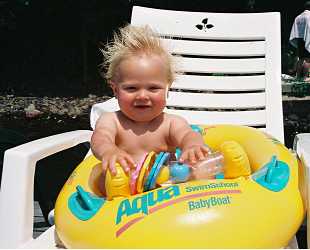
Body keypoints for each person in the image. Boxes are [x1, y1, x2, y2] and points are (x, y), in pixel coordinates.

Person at [91, 24, 211, 181]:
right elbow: (100, 138)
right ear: (115, 90)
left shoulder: (171, 123)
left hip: (166, 194)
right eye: (131, 88)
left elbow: (188, 135)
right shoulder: (112, 121)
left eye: (153, 88)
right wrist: (109, 151)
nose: (142, 96)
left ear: (168, 88)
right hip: (123, 197)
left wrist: (192, 146)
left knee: (202, 172)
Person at [289, 1, 310, 81]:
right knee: (308, 59)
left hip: (299, 39)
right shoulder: (309, 16)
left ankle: (298, 77)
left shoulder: (298, 16)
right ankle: (305, 77)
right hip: (307, 38)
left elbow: (295, 29)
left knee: (301, 58)